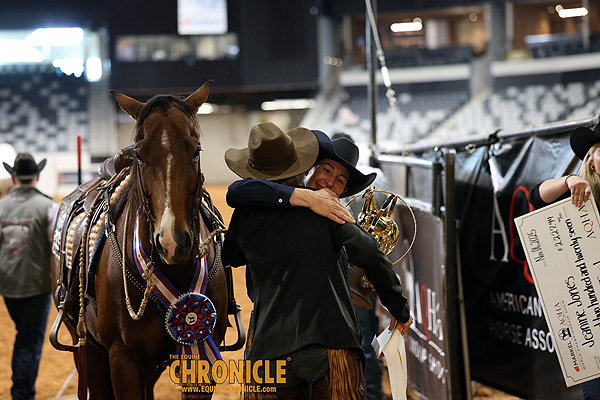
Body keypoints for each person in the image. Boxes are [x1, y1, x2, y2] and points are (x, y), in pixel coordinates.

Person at [223, 122, 412, 399]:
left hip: (269, 348)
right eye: (326, 170)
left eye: (340, 179)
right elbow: (370, 251)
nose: (330, 182)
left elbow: (231, 254)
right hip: (329, 346)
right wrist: (398, 308)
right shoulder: (328, 210)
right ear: (305, 168)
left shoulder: (245, 214)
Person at [529, 124, 600, 400]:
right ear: (591, 161)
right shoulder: (580, 194)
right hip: (590, 317)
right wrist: (570, 180)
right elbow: (536, 196)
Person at [0, 153, 59, 400]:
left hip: (8, 286)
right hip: (37, 285)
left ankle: (19, 387)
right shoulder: (49, 207)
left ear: (14, 178)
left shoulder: (1, 206)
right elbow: (57, 249)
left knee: (23, 335)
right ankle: (22, 394)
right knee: (30, 341)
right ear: (37, 177)